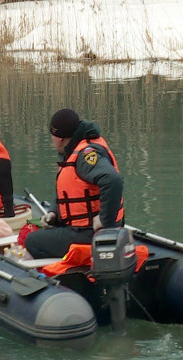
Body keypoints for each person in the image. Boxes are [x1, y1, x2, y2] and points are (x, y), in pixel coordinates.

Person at [25, 108, 124, 259]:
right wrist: (53, 212)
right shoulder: (76, 149)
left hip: (90, 233)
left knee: (32, 241)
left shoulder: (85, 156)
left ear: (59, 138)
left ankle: (59, 274)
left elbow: (113, 180)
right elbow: (68, 190)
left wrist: (105, 219)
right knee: (48, 232)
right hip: (84, 228)